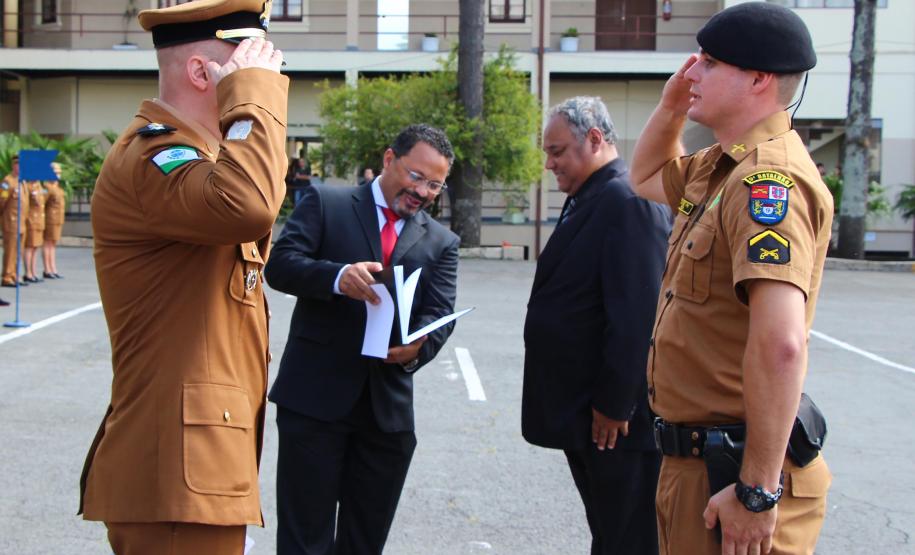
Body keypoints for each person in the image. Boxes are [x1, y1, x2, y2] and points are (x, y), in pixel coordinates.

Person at [78, 1, 288, 553]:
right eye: (253, 63)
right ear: (203, 74)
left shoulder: (202, 160)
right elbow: (249, 206)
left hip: (198, 465)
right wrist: (252, 100)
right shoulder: (155, 156)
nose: (272, 78)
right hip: (175, 472)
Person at [628, 3, 833, 555]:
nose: (690, 72)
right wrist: (674, 105)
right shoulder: (722, 166)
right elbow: (644, 175)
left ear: (759, 79)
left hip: (734, 470)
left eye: (709, 63)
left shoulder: (769, 181)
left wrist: (758, 491)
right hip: (700, 465)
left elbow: (781, 343)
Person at [265, 123, 460, 555]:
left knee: (364, 543)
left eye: (434, 184)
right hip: (314, 403)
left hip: (387, 415)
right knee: (304, 540)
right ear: (389, 159)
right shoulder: (326, 202)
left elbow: (441, 314)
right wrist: (335, 276)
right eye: (415, 176)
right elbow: (280, 265)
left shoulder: (442, 241)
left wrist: (418, 349)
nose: (423, 191)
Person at [522, 96, 671, 555]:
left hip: (615, 422)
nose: (549, 163)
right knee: (609, 531)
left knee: (629, 538)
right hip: (587, 414)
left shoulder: (627, 200)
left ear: (594, 139)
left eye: (557, 151)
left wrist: (615, 404)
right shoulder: (592, 194)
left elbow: (638, 315)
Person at [1, 155, 29, 288]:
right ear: (13, 166)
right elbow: (2, 201)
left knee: (19, 251)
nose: (19, 167)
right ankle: (7, 276)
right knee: (11, 250)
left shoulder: (22, 181)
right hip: (11, 222)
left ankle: (15, 275)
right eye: (17, 165)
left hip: (22, 223)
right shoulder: (8, 181)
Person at [41, 162, 65, 279]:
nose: (58, 175)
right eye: (56, 172)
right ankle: (47, 269)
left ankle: (53, 268)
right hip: (49, 220)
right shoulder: (47, 187)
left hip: (57, 220)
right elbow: (41, 204)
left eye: (59, 173)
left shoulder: (57, 187)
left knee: (53, 245)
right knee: (48, 244)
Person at [22, 179, 47, 283]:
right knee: (29, 247)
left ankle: (33, 272)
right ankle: (28, 273)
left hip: (39, 221)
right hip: (31, 220)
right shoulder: (27, 186)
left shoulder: (39, 186)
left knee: (35, 247)